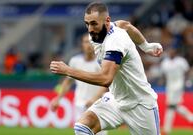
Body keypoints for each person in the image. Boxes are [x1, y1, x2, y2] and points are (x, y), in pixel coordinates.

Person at [50, 1, 163, 135]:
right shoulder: (102, 32)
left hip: (139, 103)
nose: (90, 29)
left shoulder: (116, 41)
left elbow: (105, 79)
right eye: (87, 24)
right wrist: (146, 46)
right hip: (116, 100)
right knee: (82, 127)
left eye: (93, 23)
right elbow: (126, 25)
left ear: (107, 21)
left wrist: (68, 70)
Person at [50, 33, 108, 135]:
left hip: (98, 105)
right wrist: (58, 99)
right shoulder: (75, 61)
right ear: (82, 44)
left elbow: (105, 84)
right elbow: (68, 82)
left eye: (91, 42)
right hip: (79, 105)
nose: (88, 45)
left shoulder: (101, 61)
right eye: (86, 42)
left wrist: (94, 99)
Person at [161, 47, 193, 135]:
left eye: (173, 51)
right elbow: (164, 75)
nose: (171, 53)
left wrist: (187, 81)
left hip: (179, 85)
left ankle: (166, 130)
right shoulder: (165, 62)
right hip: (169, 86)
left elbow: (187, 71)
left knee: (171, 106)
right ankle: (191, 118)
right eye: (170, 51)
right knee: (172, 106)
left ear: (176, 52)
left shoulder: (181, 61)